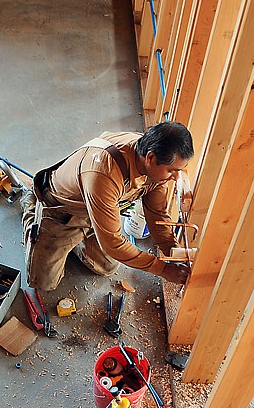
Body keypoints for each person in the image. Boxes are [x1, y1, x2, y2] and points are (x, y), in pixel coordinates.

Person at [21, 121, 194, 291]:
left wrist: (174, 253)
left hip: (95, 208)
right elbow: (114, 244)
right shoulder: (105, 173)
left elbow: (157, 215)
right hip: (61, 210)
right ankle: (31, 205)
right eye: (172, 170)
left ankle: (81, 236)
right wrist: (162, 269)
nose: (176, 177)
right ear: (150, 158)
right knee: (44, 283)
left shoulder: (154, 162)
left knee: (107, 266)